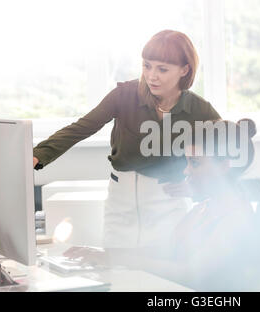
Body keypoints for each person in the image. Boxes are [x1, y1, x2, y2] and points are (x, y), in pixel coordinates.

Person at [33, 30, 221, 248]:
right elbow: (82, 127)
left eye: (162, 69)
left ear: (184, 69)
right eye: (147, 65)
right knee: (118, 273)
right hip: (120, 205)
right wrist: (36, 155)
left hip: (168, 208)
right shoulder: (125, 95)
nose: (152, 76)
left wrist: (198, 188)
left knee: (164, 276)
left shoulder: (199, 110)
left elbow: (229, 159)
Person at [64, 119, 260, 291]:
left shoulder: (235, 218)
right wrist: (109, 255)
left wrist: (119, 260)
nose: (186, 171)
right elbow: (169, 251)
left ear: (224, 165)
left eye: (195, 163)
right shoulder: (206, 207)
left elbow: (189, 273)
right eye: (187, 162)